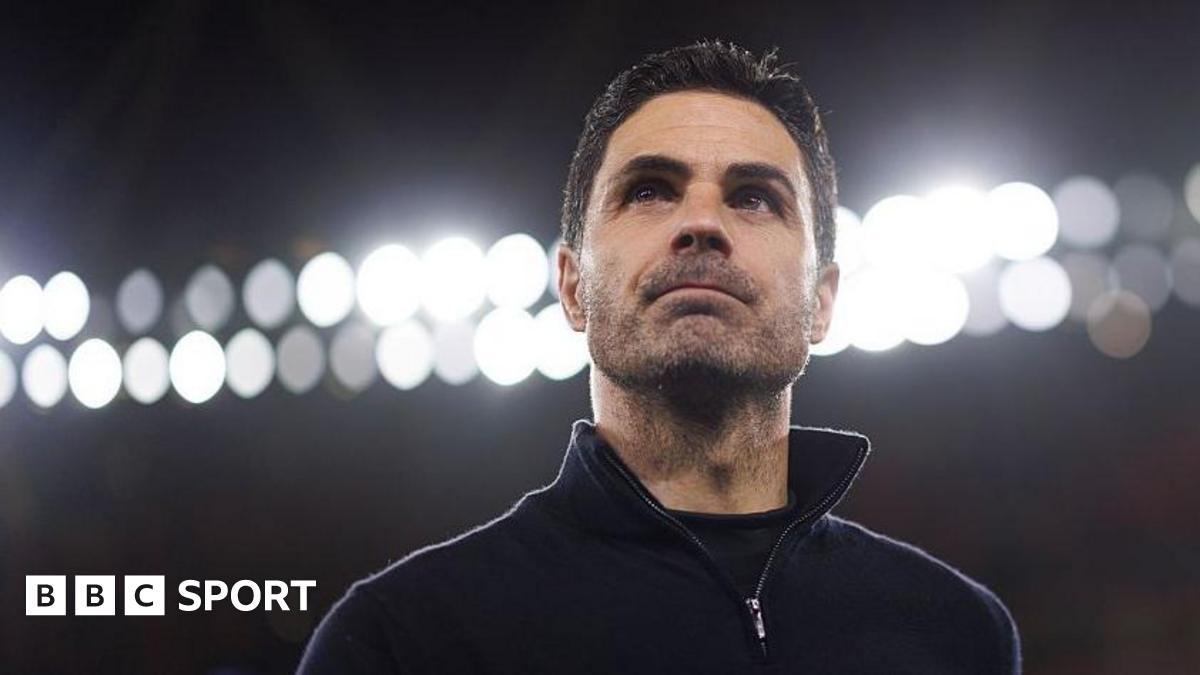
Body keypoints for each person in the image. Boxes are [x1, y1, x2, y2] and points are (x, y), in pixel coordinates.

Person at [299, 40, 1021, 674]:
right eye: (649, 191)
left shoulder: (958, 630)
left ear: (822, 302)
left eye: (755, 198)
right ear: (573, 287)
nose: (702, 222)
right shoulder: (403, 639)